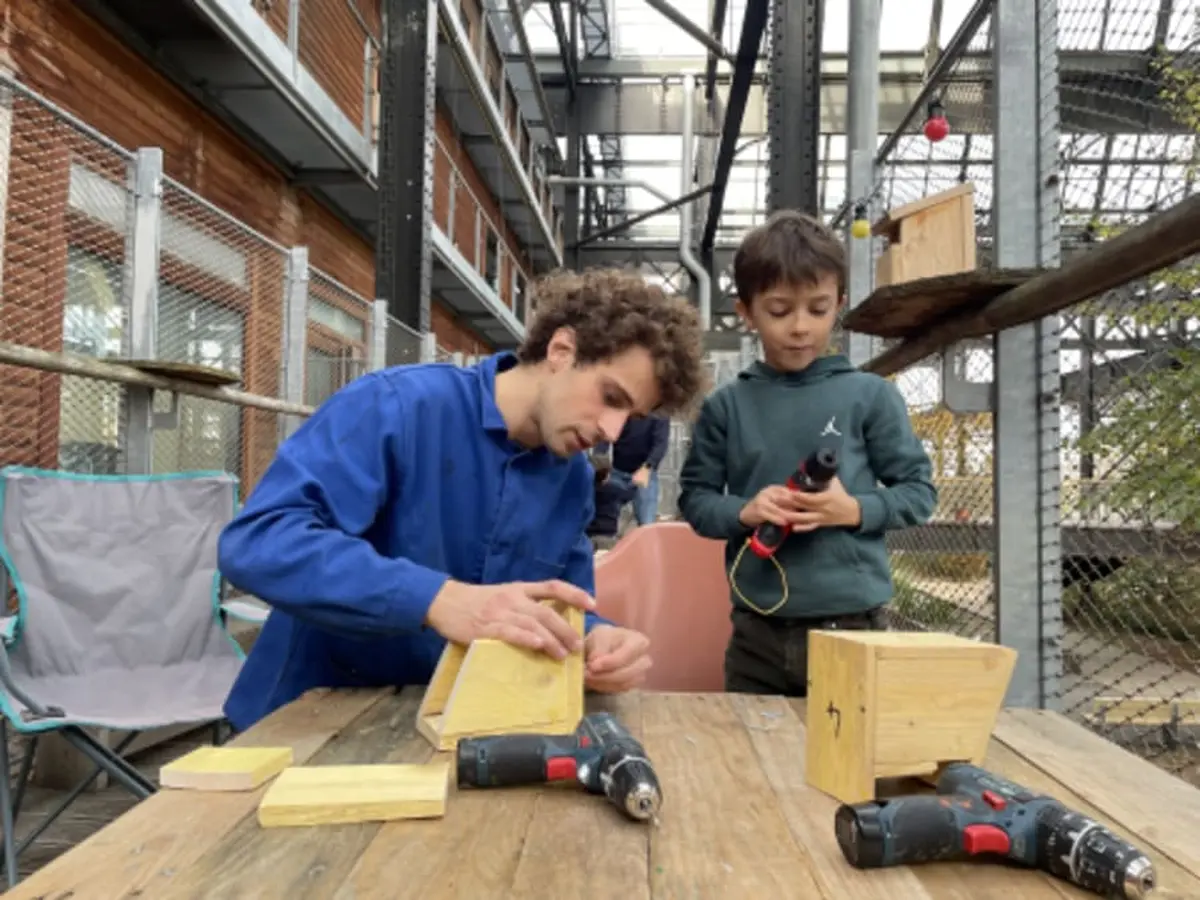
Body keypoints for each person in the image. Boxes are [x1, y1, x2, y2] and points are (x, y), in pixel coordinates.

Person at [218, 267, 708, 732]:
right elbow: (258, 541)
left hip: (445, 730)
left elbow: (563, 604)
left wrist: (596, 640)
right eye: (611, 397)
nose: (612, 431)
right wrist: (435, 598)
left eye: (632, 417)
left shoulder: (572, 480)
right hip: (304, 725)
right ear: (561, 349)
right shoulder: (397, 407)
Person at [677, 210, 937, 697]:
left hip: (852, 625)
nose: (800, 327)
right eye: (779, 311)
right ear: (746, 310)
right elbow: (696, 501)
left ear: (839, 303)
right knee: (753, 758)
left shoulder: (870, 396)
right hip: (757, 629)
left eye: (817, 309)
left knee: (846, 764)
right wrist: (746, 510)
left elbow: (919, 493)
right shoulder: (727, 405)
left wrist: (853, 509)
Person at [594, 413, 671, 528]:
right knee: (603, 520)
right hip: (617, 473)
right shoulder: (624, 409)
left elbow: (660, 444)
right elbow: (605, 438)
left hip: (645, 473)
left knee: (646, 524)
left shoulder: (660, 413)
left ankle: (646, 542)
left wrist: (647, 467)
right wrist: (600, 466)